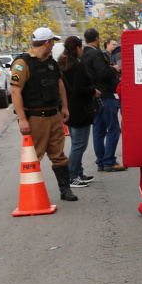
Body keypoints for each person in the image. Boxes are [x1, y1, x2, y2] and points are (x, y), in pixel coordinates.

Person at [9, 27, 77, 202]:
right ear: (47, 42)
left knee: (58, 155)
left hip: (53, 115)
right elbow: (15, 92)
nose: (53, 44)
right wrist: (22, 119)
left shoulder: (50, 61)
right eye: (52, 41)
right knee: (34, 156)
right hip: (35, 118)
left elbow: (59, 84)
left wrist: (65, 108)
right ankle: (32, 193)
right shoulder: (22, 63)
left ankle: (65, 190)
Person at [57, 35, 99, 189]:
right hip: (80, 109)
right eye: (81, 47)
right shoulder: (77, 66)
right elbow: (80, 89)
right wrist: (93, 91)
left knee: (76, 143)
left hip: (67, 107)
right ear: (77, 48)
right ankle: (72, 175)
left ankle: (78, 172)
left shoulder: (62, 63)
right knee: (79, 144)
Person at [82, 28, 126, 172]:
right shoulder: (96, 54)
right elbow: (103, 73)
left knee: (98, 130)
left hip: (93, 95)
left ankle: (101, 160)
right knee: (113, 129)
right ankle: (109, 160)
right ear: (97, 38)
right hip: (106, 95)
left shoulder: (84, 54)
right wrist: (114, 69)